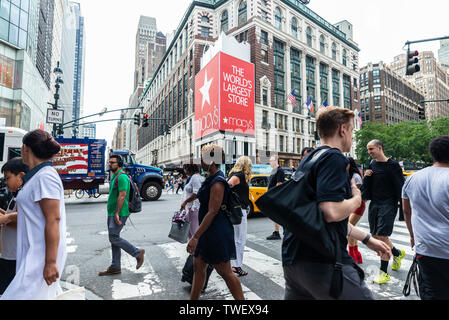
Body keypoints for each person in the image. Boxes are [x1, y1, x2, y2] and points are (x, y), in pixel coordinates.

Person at [282, 107, 391, 300]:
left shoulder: (309, 160)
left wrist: (367, 239)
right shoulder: (334, 157)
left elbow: (326, 219)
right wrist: (357, 198)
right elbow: (331, 212)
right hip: (322, 260)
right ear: (342, 130)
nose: (351, 137)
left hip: (293, 260)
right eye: (351, 131)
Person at [1, 130, 67, 300]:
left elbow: (53, 219)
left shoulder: (45, 177)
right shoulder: (37, 176)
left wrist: (51, 262)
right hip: (32, 252)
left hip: (40, 254)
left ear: (25, 148)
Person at [186, 144, 244, 300]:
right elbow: (201, 196)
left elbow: (213, 211)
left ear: (212, 160)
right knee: (199, 267)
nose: (200, 162)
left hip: (216, 232)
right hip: (207, 231)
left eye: (203, 158)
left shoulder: (218, 181)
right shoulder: (210, 178)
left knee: (225, 272)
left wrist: (195, 236)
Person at [402, 136, 449, 300]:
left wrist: (413, 235)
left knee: (431, 293)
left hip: (426, 249)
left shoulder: (413, 178)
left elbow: (406, 211)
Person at [363, 139, 405, 284]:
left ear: (380, 148)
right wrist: (366, 177)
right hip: (375, 203)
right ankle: (397, 253)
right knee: (375, 235)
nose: (369, 152)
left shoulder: (393, 165)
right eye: (368, 149)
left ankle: (383, 273)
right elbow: (369, 185)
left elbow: (401, 187)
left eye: (371, 149)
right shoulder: (372, 164)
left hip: (389, 203)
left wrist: (403, 210)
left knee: (382, 235)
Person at [98, 154, 145, 276]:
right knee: (114, 239)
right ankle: (115, 267)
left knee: (113, 237)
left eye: (112, 162)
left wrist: (117, 213)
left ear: (119, 164)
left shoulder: (122, 177)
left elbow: (122, 195)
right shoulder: (115, 176)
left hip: (119, 212)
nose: (110, 164)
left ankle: (137, 253)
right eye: (109, 162)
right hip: (113, 212)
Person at [0, 158, 29, 295]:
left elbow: (27, 218)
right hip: (8, 254)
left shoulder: (24, 195)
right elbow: (12, 214)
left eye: (8, 178)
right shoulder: (17, 194)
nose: (5, 182)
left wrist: (7, 218)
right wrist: (5, 214)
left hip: (16, 256)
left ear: (21, 176)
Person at [227, 156, 252, 277]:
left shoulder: (234, 174)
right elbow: (226, 187)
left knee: (236, 238)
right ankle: (236, 266)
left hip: (236, 210)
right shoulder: (239, 175)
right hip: (238, 210)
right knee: (240, 239)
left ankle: (233, 264)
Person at [347, 157, 365, 264]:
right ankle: (356, 256)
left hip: (357, 204)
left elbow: (355, 192)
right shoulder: (348, 175)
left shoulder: (356, 176)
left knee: (349, 229)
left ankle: (353, 256)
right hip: (350, 204)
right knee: (351, 230)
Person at [181, 164, 204, 240]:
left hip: (193, 208)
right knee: (191, 233)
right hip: (193, 208)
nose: (184, 170)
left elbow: (196, 193)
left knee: (194, 233)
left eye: (185, 168)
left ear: (188, 168)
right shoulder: (197, 177)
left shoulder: (195, 177)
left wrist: (185, 202)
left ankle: (195, 251)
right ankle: (193, 251)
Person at [266, 155, 285, 240]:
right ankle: (278, 232)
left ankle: (278, 232)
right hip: (272, 196)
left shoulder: (279, 170)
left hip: (276, 197)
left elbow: (279, 184)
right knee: (277, 215)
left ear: (276, 161)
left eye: (271, 160)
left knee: (278, 215)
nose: (270, 162)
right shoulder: (273, 170)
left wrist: (274, 196)